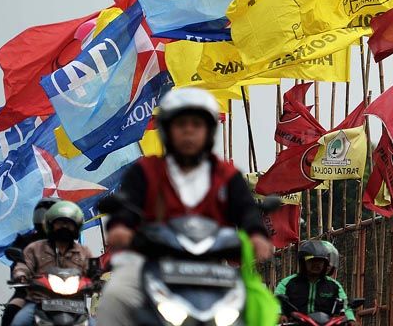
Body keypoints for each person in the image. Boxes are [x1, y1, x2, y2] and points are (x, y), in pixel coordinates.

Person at [96, 87, 274, 325]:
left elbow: (246, 210)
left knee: (256, 307)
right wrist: (120, 227)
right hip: (151, 263)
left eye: (196, 125)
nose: (189, 131)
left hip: (212, 268)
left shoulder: (227, 175)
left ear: (209, 131)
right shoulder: (145, 171)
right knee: (115, 294)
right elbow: (127, 206)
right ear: (167, 130)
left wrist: (257, 235)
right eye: (181, 125)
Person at [10, 201, 92, 326]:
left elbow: (93, 268)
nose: (64, 227)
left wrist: (98, 278)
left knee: (96, 323)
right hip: (39, 300)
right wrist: (21, 274)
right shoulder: (35, 247)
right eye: (60, 223)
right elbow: (24, 265)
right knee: (18, 321)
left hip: (74, 304)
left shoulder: (83, 251)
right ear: (51, 224)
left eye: (68, 224)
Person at [0, 197, 60, 326]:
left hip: (62, 295)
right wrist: (21, 273)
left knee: (89, 319)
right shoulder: (25, 242)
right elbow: (18, 264)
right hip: (29, 293)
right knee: (12, 312)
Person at [274, 240, 354, 324]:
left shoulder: (334, 285)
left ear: (325, 263)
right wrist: (279, 314)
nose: (316, 264)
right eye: (312, 260)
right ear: (303, 262)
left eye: (320, 261)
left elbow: (345, 305)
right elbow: (276, 300)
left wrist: (351, 319)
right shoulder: (287, 283)